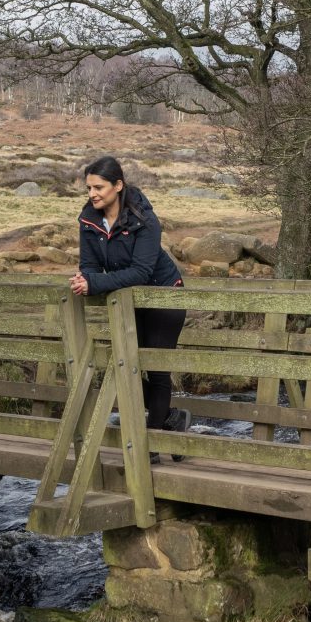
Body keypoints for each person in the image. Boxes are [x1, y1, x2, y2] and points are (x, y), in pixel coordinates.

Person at [70, 156, 191, 462]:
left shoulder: (145, 221)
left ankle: (147, 450)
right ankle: (172, 420)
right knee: (124, 367)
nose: (92, 193)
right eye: (89, 188)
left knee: (157, 370)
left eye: (99, 187)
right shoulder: (88, 220)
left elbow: (140, 272)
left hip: (164, 297)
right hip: (129, 301)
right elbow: (89, 266)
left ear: (118, 186)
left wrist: (94, 283)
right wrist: (85, 278)